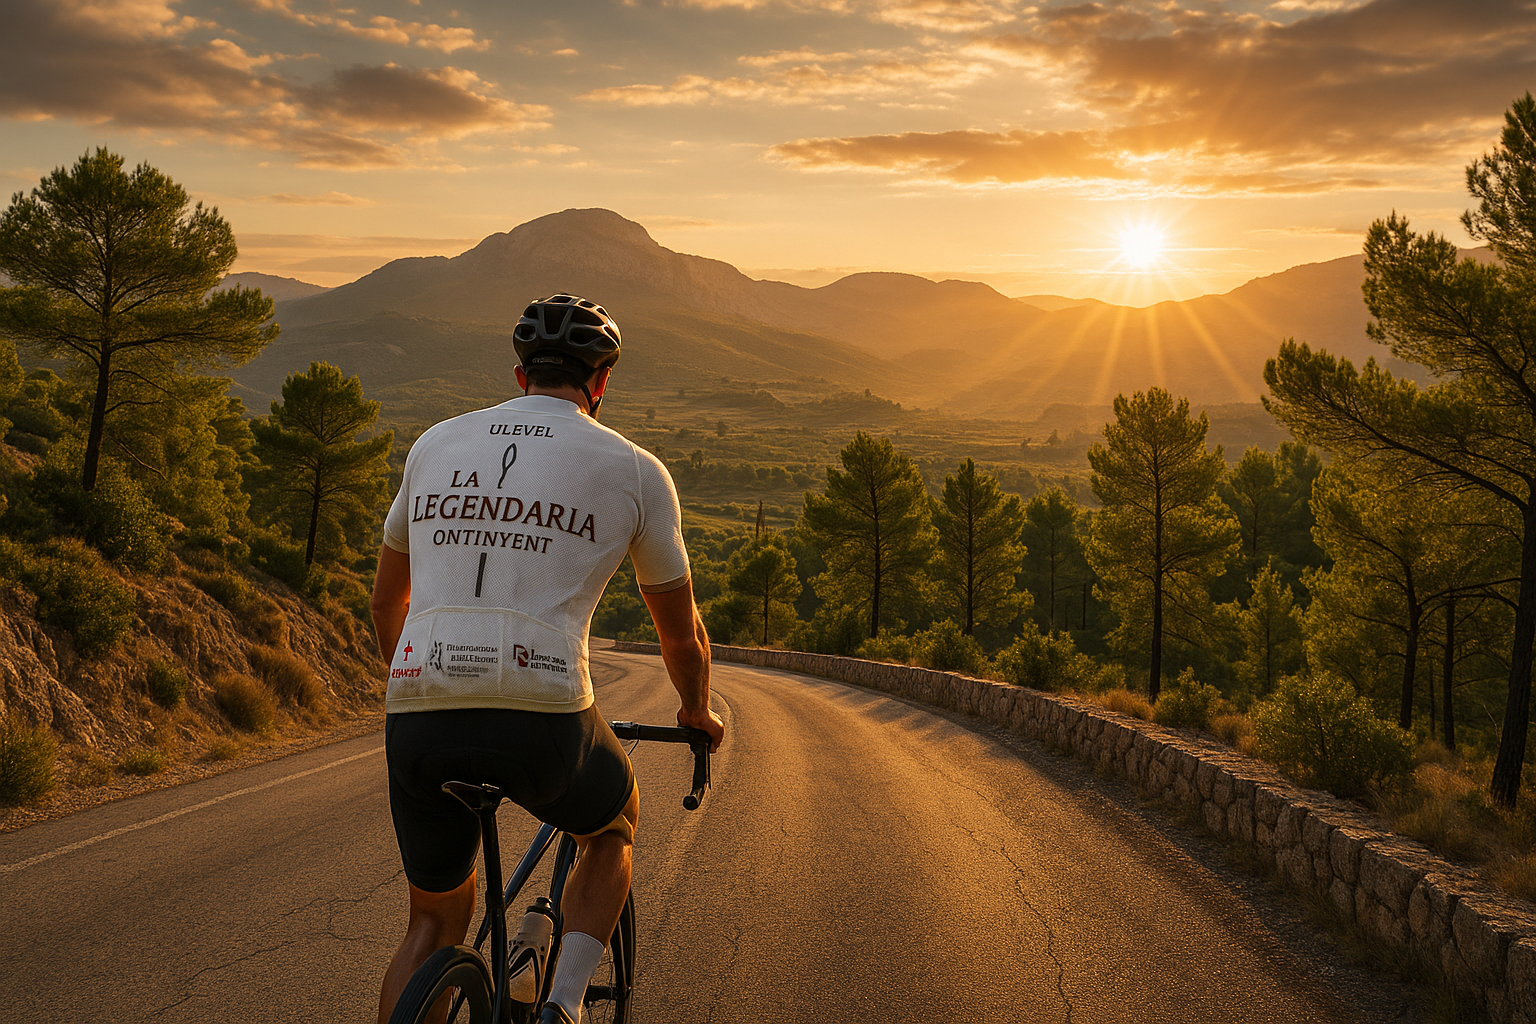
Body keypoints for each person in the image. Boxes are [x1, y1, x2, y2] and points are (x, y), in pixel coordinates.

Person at [370, 293, 724, 1024]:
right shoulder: (634, 468)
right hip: (543, 710)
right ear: (600, 384)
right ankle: (565, 1004)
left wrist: (424, 685)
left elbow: (385, 606)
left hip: (418, 700)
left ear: (519, 373)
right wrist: (694, 708)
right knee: (613, 823)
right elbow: (681, 634)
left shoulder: (435, 443)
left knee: (432, 924)